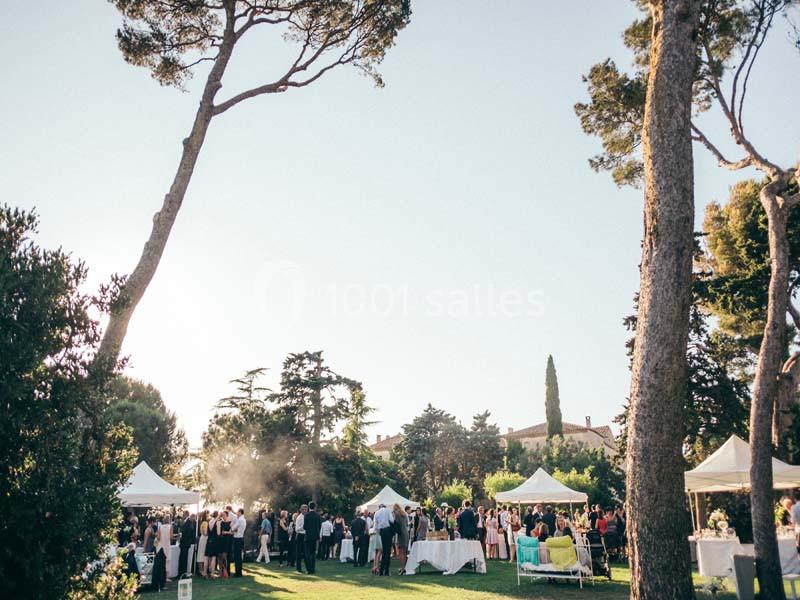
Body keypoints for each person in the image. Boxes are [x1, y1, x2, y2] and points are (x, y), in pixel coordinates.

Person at [375, 503, 395, 576]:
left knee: (384, 551)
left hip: (382, 532)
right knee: (388, 551)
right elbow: (392, 520)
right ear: (385, 507)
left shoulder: (377, 513)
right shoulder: (388, 510)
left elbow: (375, 526)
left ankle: (381, 571)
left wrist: (379, 531)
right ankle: (386, 571)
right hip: (388, 531)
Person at [303, 501, 321, 574]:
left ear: (309, 507)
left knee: (307, 553)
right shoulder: (317, 515)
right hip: (315, 536)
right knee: (313, 553)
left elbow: (305, 527)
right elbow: (319, 526)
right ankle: (313, 568)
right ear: (315, 507)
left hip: (308, 536)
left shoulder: (306, 515)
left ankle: (309, 569)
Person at [178, 510, 197, 576]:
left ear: (186, 514)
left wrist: (182, 535)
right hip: (185, 543)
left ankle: (182, 573)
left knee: (183, 558)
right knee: (183, 558)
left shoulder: (188, 522)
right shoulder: (187, 522)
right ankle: (182, 572)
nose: (182, 515)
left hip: (185, 543)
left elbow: (188, 532)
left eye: (183, 514)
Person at [393, 503, 409, 573]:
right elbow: (407, 524)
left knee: (400, 552)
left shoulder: (397, 514)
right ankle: (405, 567)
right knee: (405, 552)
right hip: (406, 533)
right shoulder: (405, 514)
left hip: (400, 534)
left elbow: (396, 524)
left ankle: (402, 568)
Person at [294, 505, 307, 573]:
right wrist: (303, 527)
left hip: (306, 536)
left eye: (306, 509)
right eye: (304, 509)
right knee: (299, 552)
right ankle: (298, 568)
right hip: (300, 535)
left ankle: (307, 567)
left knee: (306, 553)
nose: (305, 511)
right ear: (301, 510)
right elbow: (296, 529)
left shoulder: (307, 516)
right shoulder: (299, 518)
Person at [196, 511, 209, 579]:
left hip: (203, 539)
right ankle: (201, 571)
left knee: (202, 554)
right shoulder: (205, 523)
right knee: (202, 555)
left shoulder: (202, 522)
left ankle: (201, 570)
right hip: (204, 539)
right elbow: (205, 533)